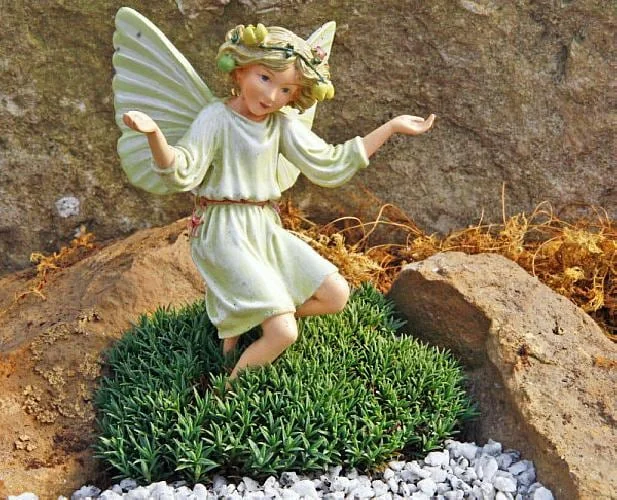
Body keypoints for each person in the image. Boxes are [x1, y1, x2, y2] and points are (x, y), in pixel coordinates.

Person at [115, 16, 435, 381]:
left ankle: (257, 316)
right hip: (221, 230)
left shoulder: (280, 124)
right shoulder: (215, 118)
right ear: (240, 71)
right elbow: (181, 169)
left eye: (285, 90)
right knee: (284, 332)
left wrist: (391, 127)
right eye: (264, 78)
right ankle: (227, 393)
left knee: (336, 295)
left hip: (264, 227)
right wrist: (155, 135)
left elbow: (329, 163)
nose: (271, 96)